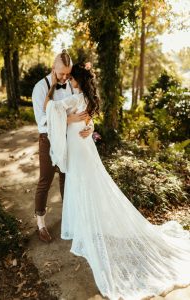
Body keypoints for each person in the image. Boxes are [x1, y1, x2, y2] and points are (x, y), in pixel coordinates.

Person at [44, 63, 190, 300]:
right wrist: (83, 124)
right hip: (85, 147)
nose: (68, 81)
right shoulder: (85, 99)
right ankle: (85, 224)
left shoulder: (74, 98)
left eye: (71, 78)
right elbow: (81, 119)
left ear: (78, 81)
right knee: (88, 184)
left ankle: (85, 226)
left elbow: (49, 107)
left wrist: (65, 108)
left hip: (81, 149)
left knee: (82, 184)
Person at [32, 50, 93, 243]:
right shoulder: (40, 88)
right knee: (45, 181)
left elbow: (84, 110)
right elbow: (41, 121)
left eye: (68, 74)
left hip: (69, 140)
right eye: (61, 74)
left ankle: (70, 220)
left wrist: (90, 127)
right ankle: (41, 224)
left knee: (67, 180)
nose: (65, 77)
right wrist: (67, 119)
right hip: (48, 139)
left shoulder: (72, 85)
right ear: (53, 68)